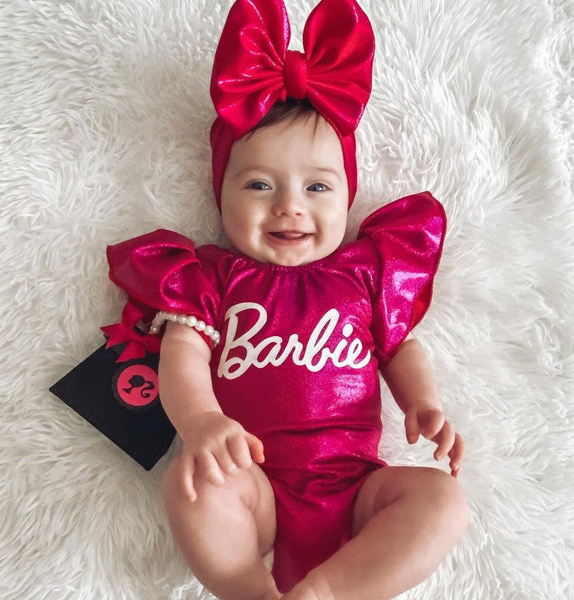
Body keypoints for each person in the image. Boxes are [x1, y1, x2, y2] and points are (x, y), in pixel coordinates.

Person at [103, 0, 468, 598]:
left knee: (443, 500)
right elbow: (183, 354)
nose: (289, 206)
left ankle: (332, 590)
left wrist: (422, 402)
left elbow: (400, 347)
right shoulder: (211, 277)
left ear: (347, 196)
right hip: (255, 485)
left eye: (317, 186)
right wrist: (201, 421)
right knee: (193, 483)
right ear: (220, 194)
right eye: (258, 184)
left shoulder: (365, 274)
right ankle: (250, 588)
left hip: (360, 489)